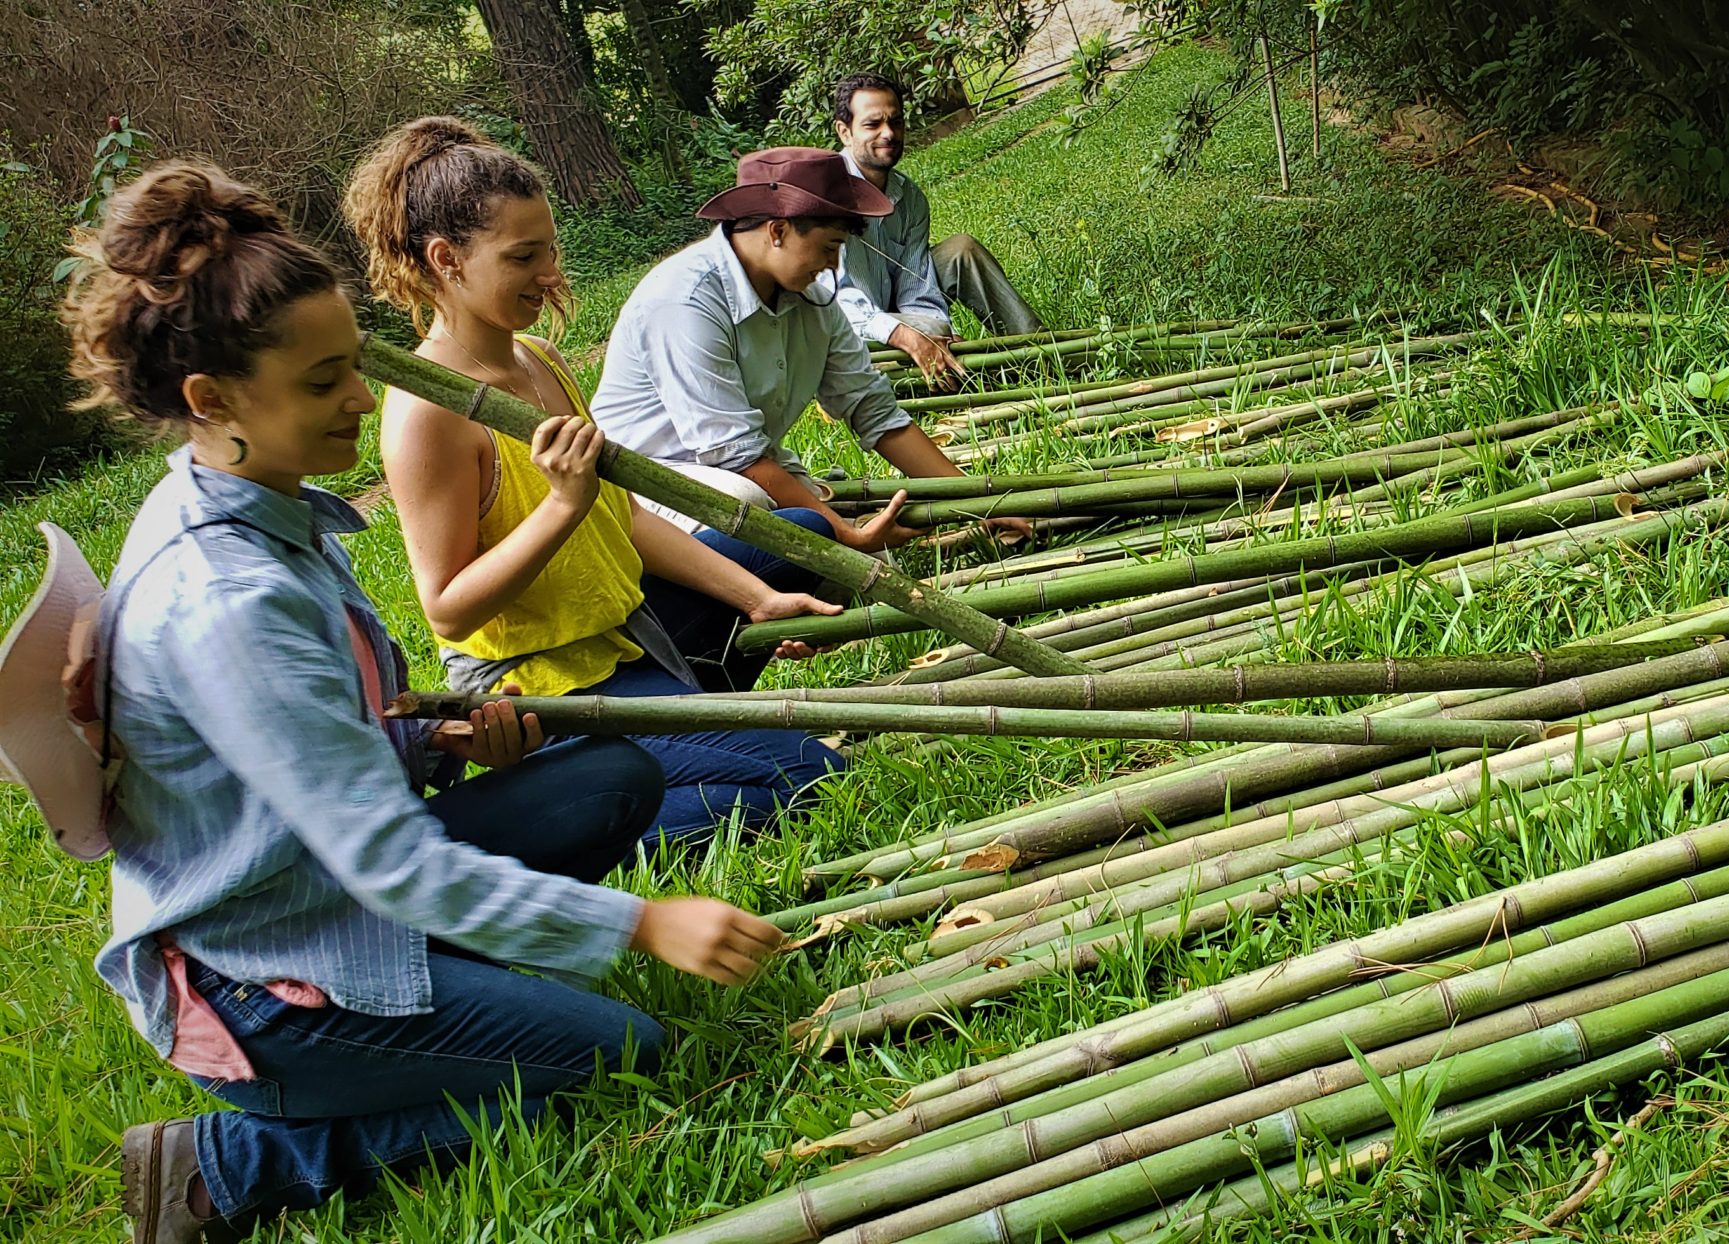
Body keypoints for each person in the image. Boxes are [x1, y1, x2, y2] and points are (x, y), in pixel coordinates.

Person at [55, 160, 783, 1244]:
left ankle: (461, 987)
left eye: (353, 366)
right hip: (267, 979)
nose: (361, 399)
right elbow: (391, 859)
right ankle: (224, 1159)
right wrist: (640, 920)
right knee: (625, 1050)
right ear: (212, 402)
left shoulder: (258, 504)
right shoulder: (226, 599)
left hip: (320, 894)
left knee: (616, 776)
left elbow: (330, 746)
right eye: (323, 382)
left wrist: (433, 740)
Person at [345, 116, 848, 847]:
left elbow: (619, 518)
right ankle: (578, 810)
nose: (550, 274)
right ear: (446, 259)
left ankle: (683, 721)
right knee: (806, 780)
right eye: (524, 257)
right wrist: (559, 507)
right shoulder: (427, 413)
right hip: (546, 687)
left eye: (550, 247)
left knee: (800, 537)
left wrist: (758, 598)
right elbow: (449, 610)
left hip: (620, 633)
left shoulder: (539, 359)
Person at [587, 146, 1026, 549]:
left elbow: (871, 408)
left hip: (741, 469)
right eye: (830, 247)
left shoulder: (813, 297)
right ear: (777, 230)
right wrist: (844, 534)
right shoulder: (684, 300)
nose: (834, 265)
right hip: (641, 489)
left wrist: (982, 502)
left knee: (823, 543)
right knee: (753, 504)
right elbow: (735, 455)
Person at [831, 72, 1047, 393]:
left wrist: (933, 329)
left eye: (896, 121)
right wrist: (906, 335)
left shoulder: (909, 197)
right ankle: (957, 375)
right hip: (845, 330)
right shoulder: (824, 197)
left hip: (897, 315)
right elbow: (833, 306)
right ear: (845, 132)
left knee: (962, 249)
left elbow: (916, 286)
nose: (888, 133)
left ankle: (1038, 352)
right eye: (872, 124)